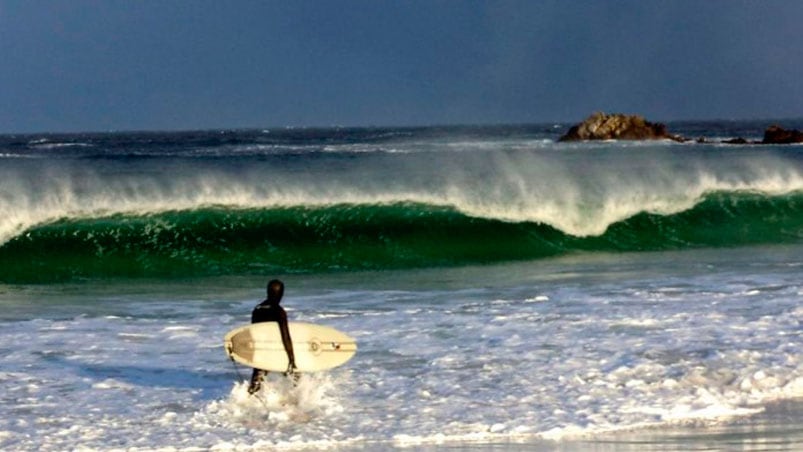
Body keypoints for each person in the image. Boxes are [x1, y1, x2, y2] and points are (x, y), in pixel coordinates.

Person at [248, 279, 298, 394]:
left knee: (257, 379)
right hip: (276, 349)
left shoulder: (257, 309)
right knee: (295, 376)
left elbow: (253, 332)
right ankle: (296, 400)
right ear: (281, 294)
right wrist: (291, 359)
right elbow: (285, 336)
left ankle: (248, 401)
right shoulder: (278, 311)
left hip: (260, 350)